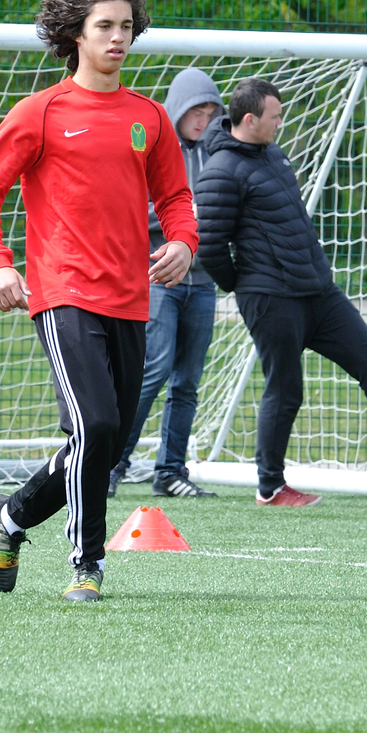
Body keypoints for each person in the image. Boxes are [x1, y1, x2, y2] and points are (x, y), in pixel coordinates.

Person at [0, 0, 197, 603]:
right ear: (75, 34)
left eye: (126, 26)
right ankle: (86, 564)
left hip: (131, 296)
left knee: (103, 440)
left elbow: (176, 197)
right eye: (104, 27)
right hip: (62, 292)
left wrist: (182, 241)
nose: (117, 38)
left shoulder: (148, 118)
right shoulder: (40, 113)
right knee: (96, 424)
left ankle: (10, 517)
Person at [195, 77, 367, 506]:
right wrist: (243, 283)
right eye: (275, 116)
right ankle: (270, 488)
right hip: (270, 297)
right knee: (286, 388)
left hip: (317, 291)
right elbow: (209, 246)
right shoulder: (221, 171)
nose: (281, 122)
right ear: (249, 119)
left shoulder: (273, 155)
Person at [109, 67, 223, 500]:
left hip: (204, 282)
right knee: (151, 371)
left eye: (211, 111)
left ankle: (171, 471)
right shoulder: (154, 148)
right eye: (197, 110)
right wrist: (185, 223)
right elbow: (137, 207)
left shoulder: (217, 152)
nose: (204, 118)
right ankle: (113, 465)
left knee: (188, 381)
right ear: (177, 109)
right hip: (158, 276)